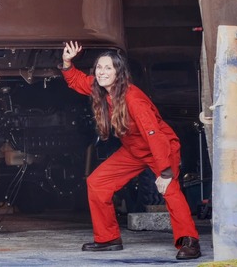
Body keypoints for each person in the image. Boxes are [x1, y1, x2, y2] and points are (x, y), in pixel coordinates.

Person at [60, 41, 201, 260]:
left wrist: (165, 172)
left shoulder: (133, 99)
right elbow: (77, 81)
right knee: (97, 182)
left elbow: (154, 134)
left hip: (160, 147)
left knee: (170, 190)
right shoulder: (100, 89)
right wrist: (67, 62)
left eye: (108, 68)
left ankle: (190, 241)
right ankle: (108, 239)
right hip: (134, 149)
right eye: (99, 67)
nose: (102, 72)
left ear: (119, 72)